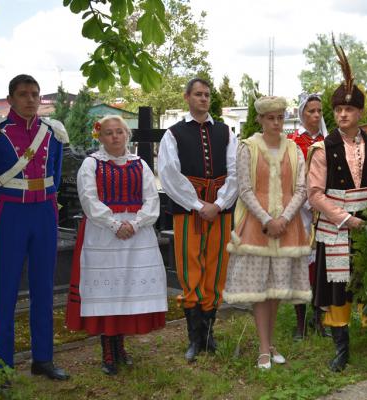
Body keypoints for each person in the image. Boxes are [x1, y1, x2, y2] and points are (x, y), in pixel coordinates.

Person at [0, 74, 69, 379]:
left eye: (35, 94)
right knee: (5, 292)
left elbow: (55, 173)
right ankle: (2, 364)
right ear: (10, 98)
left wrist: (51, 209)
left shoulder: (52, 133)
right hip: (9, 215)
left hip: (43, 215)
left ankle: (43, 359)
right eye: (24, 94)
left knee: (43, 289)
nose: (30, 99)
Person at [307, 41, 367, 372]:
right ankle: (341, 348)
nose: (343, 114)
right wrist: (345, 218)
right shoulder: (321, 149)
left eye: (349, 110)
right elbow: (314, 193)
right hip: (336, 227)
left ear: (360, 113)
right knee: (338, 289)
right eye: (338, 110)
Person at [65, 115, 167, 375]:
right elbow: (89, 200)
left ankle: (120, 346)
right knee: (107, 293)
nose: (115, 137)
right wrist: (114, 224)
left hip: (136, 235)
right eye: (109, 133)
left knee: (126, 289)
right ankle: (108, 350)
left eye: (119, 132)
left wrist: (134, 224)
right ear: (100, 136)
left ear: (126, 135)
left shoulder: (140, 164)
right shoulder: (91, 164)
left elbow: (151, 199)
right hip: (103, 235)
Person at [223, 96, 312, 370]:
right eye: (270, 117)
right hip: (256, 227)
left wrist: (284, 218)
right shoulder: (248, 148)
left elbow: (301, 188)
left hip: (287, 227)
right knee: (261, 290)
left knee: (275, 288)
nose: (276, 122)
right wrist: (266, 219)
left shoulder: (294, 150)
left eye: (280, 117)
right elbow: (245, 189)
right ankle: (263, 348)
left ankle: (271, 343)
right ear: (260, 119)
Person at [157, 78, 238, 361]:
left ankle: (208, 335)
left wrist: (218, 204)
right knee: (190, 268)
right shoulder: (174, 134)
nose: (204, 99)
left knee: (217, 268)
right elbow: (169, 173)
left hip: (219, 211)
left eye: (207, 94)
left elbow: (236, 171)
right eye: (198, 94)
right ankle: (194, 338)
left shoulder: (227, 132)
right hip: (188, 211)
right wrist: (196, 204)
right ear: (187, 97)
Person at [287, 93, 328, 340]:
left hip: (323, 212)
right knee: (300, 267)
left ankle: (319, 318)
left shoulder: (329, 142)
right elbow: (289, 177)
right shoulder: (292, 143)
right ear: (302, 114)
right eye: (310, 111)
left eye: (319, 111)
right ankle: (300, 322)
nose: (315, 115)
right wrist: (303, 203)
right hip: (300, 213)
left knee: (321, 267)